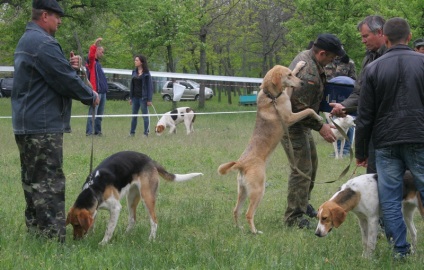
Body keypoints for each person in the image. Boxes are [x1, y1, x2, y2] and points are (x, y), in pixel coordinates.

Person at [12, 0, 99, 242]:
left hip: (26, 124)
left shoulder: (27, 40)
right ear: (44, 15)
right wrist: (90, 95)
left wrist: (73, 68)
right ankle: (52, 239)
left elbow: (52, 76)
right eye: (57, 17)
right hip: (42, 126)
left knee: (32, 182)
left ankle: (36, 233)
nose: (60, 21)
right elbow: (63, 80)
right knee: (49, 184)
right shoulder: (43, 43)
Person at [355, 17, 424, 259]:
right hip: (419, 137)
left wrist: (361, 151)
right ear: (409, 36)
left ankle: (400, 252)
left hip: (385, 143)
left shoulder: (373, 69)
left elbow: (365, 116)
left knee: (391, 198)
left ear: (385, 37)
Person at [281, 33, 342, 228]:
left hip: (301, 123)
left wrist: (325, 107)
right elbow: (297, 105)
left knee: (311, 165)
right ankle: (294, 217)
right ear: (322, 53)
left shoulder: (311, 60)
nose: (332, 62)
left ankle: (303, 203)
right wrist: (321, 126)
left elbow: (310, 100)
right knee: (301, 170)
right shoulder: (307, 71)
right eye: (331, 58)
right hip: (291, 124)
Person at [330, 15, 386, 174]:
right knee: (375, 179)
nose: (363, 41)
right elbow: (360, 91)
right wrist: (344, 106)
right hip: (374, 129)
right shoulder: (368, 58)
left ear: (380, 32)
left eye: (365, 36)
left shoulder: (394, 56)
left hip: (395, 129)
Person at [85, 37, 108, 136]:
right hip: (96, 92)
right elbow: (90, 55)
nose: (102, 54)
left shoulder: (98, 64)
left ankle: (97, 131)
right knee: (93, 113)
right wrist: (95, 44)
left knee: (99, 115)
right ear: (97, 51)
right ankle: (89, 132)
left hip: (103, 92)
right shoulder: (91, 63)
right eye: (101, 52)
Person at [129, 54, 153, 137]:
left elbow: (150, 87)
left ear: (141, 62)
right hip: (135, 97)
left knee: (145, 116)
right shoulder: (134, 72)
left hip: (143, 98)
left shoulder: (146, 74)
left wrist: (149, 99)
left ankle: (146, 133)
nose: (135, 62)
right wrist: (131, 97)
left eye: (137, 60)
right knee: (134, 116)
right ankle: (132, 133)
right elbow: (132, 86)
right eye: (135, 60)